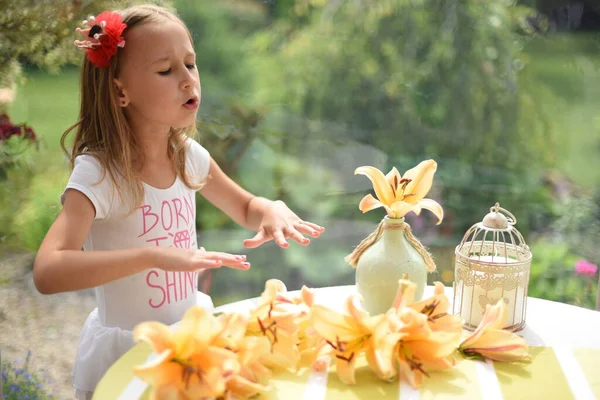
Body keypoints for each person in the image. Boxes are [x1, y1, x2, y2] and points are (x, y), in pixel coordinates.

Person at [32, 5, 325, 399]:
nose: (188, 80)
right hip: (132, 356)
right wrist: (154, 255)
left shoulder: (189, 156)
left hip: (190, 342)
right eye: (166, 70)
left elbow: (244, 207)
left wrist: (269, 209)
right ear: (121, 91)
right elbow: (48, 271)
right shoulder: (99, 174)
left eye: (190, 64)